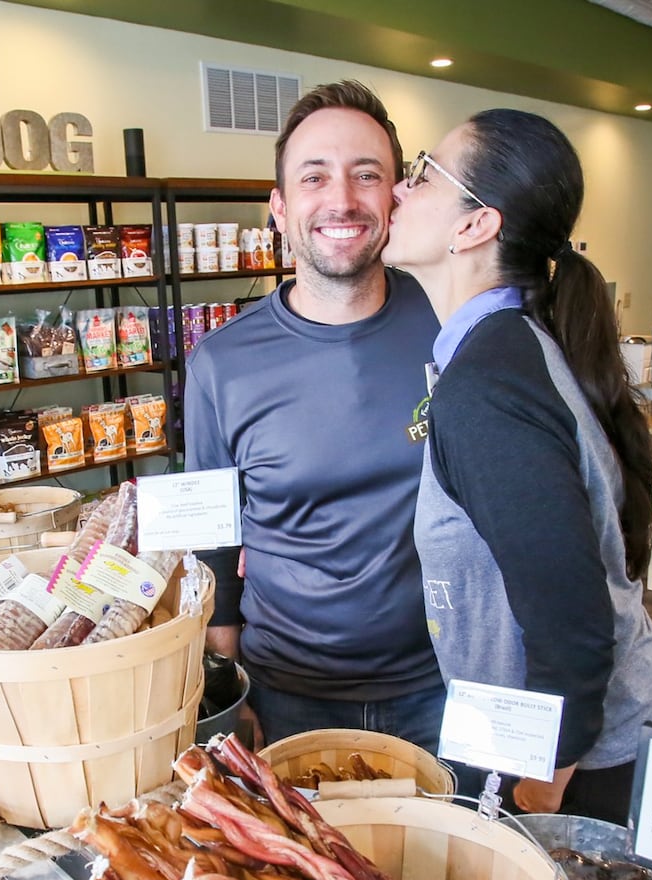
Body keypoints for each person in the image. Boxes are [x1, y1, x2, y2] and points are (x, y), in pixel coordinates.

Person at [381, 109, 652, 822]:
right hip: (547, 739)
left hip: (581, 764)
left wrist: (543, 782)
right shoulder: (508, 345)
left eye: (422, 173)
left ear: (475, 225)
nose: (398, 189)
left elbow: (572, 618)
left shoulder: (488, 384)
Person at [183, 80, 444, 751]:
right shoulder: (221, 361)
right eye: (314, 177)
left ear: (395, 197)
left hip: (446, 685)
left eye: (367, 174)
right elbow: (212, 536)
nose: (342, 199)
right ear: (279, 207)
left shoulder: (451, 320)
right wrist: (227, 675)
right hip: (287, 692)